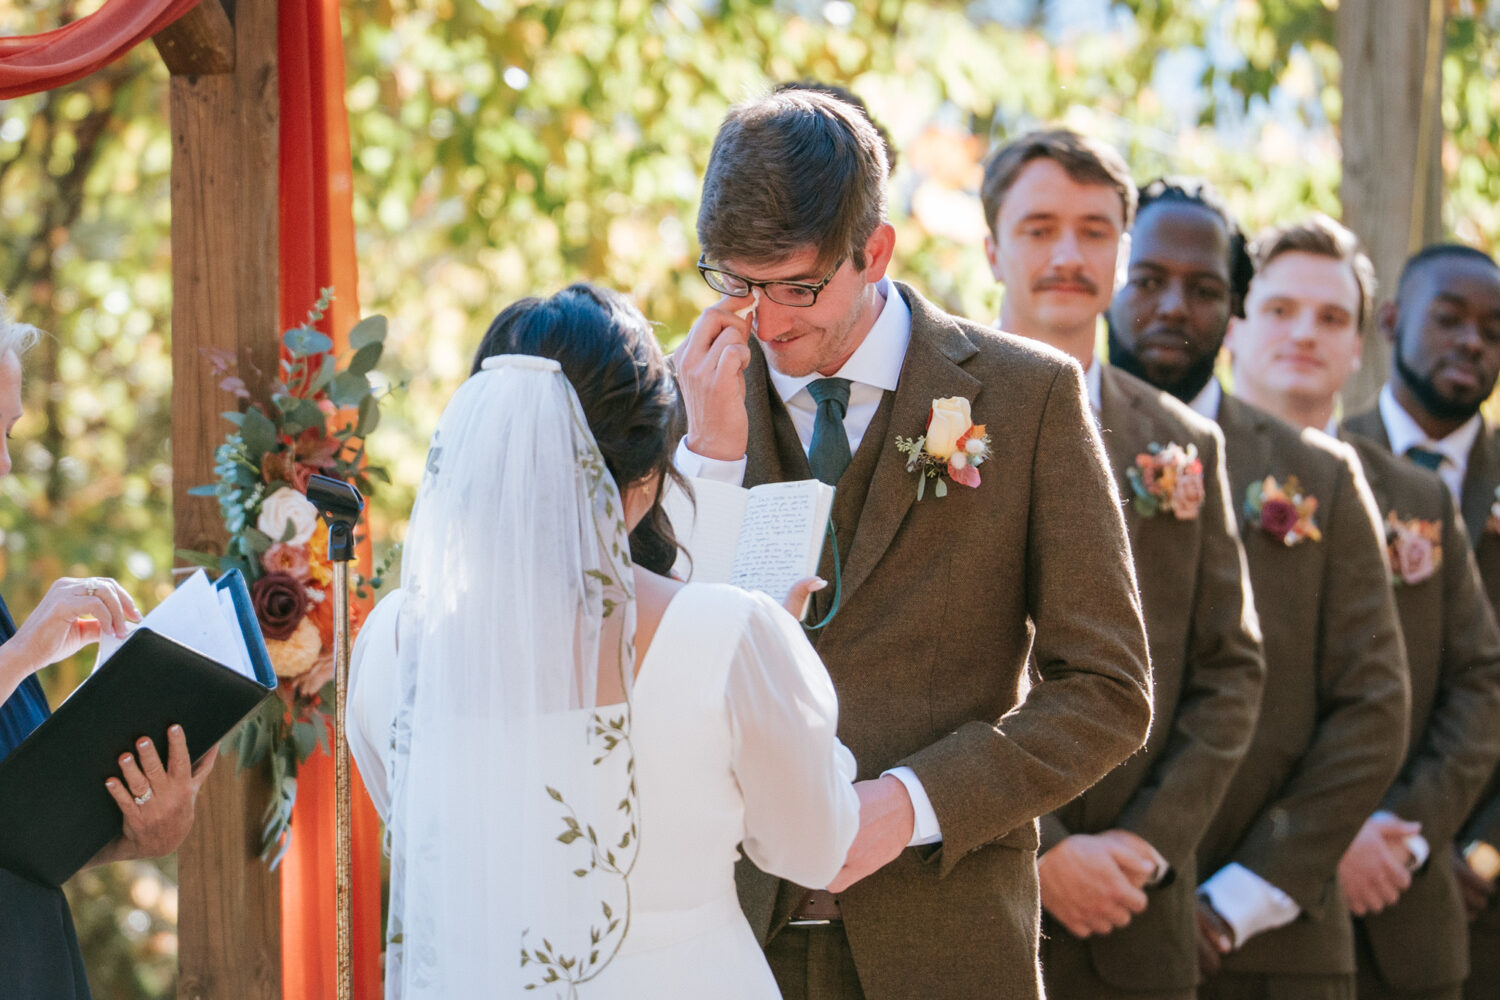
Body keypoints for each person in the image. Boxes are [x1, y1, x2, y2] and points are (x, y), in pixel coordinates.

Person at [676, 87, 1153, 1000]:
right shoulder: (678, 402)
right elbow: (650, 665)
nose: (768, 323)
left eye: (799, 288)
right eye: (736, 284)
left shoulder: (1029, 396)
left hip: (949, 946)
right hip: (723, 941)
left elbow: (1107, 690)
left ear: (877, 251)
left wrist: (907, 807)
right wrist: (709, 460)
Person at [347, 283, 861, 999]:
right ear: (648, 477)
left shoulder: (389, 644)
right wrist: (783, 659)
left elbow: (423, 821)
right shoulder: (735, 635)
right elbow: (816, 848)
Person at [980, 128, 1265, 1000]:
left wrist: (1145, 846)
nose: (1069, 254)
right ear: (991, 246)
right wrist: (1050, 847)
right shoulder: (930, 413)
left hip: (1140, 922)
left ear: (1123, 249)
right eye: (1039, 228)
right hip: (977, 904)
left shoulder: (1186, 444)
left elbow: (1230, 671)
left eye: (1096, 230)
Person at [1108, 179, 1410, 999]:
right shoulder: (1045, 432)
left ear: (1234, 310)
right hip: (1069, 929)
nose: (1174, 306)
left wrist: (1237, 899)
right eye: (1147, 280)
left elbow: (1374, 709)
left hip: (1269, 953)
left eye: (1205, 290)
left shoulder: (1318, 476)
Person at [1227, 214, 1500, 1000]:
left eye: (1332, 318)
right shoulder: (1169, 477)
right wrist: (1309, 845)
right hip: (1210, 904)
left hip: (1397, 921)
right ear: (1237, 328)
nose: (1305, 334)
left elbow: (1481, 684)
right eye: (1280, 310)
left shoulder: (1417, 499)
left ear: (1359, 345)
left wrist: (1402, 838)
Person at [0, 297, 217, 1000]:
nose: (5, 464)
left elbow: (22, 833)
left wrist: (142, 827)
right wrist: (27, 650)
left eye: (8, 433)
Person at [1342, 243, 1500, 999]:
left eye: (1494, 330)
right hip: (1338, 871)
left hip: (1485, 886)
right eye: (1450, 319)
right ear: (1393, 322)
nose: (1473, 341)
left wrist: (1482, 848)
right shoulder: (1320, 465)